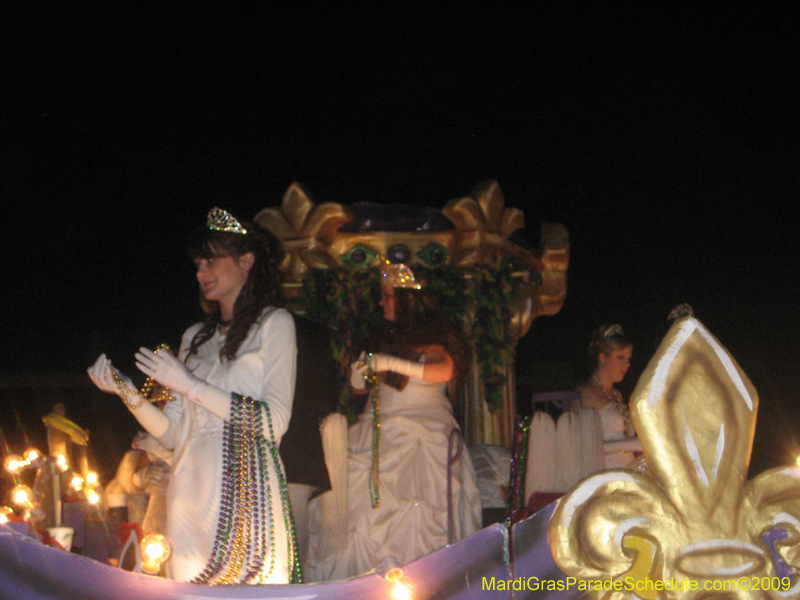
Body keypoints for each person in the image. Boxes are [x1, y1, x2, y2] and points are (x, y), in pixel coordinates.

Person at [88, 207, 297, 584]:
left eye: (211, 261)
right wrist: (126, 391)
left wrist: (190, 386)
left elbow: (273, 422)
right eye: (198, 264)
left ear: (246, 262)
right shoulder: (194, 337)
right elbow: (172, 433)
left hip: (247, 491)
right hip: (189, 489)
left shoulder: (275, 324)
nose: (201, 273)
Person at [306, 261, 481, 580]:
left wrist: (391, 363)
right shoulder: (383, 338)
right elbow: (363, 391)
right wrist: (359, 376)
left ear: (408, 300)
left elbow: (444, 370)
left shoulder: (435, 340)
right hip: (375, 433)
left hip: (421, 437)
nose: (381, 302)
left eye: (388, 296)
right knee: (359, 516)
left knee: (417, 511)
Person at [571, 324, 642, 469]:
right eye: (621, 357)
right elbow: (580, 448)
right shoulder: (584, 395)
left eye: (628, 359)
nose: (627, 364)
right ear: (602, 358)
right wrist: (628, 444)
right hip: (602, 474)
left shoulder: (617, 394)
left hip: (627, 470)